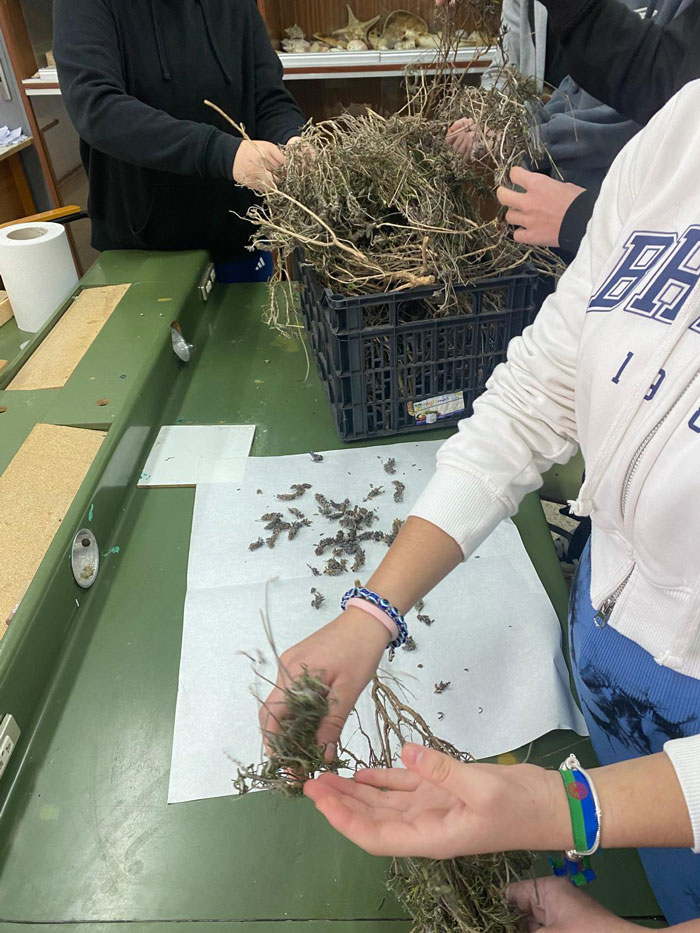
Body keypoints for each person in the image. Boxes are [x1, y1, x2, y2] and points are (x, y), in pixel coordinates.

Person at [262, 80, 700, 929]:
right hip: (611, 678)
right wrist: (372, 611)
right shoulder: (684, 131)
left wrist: (562, 817)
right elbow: (543, 386)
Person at [53, 0, 305, 278]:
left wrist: (290, 139)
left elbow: (267, 95)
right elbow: (96, 108)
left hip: (239, 239)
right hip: (144, 250)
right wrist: (221, 153)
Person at [445, 0, 690, 255]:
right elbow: (562, 89)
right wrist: (490, 119)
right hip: (537, 202)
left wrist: (525, 138)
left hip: (607, 210)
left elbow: (653, 99)